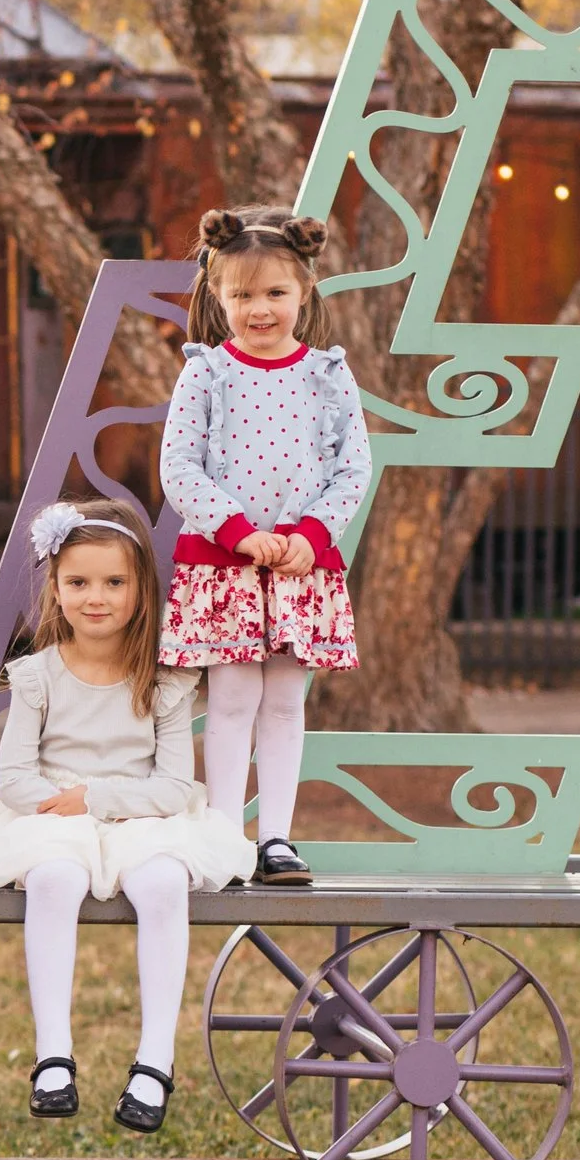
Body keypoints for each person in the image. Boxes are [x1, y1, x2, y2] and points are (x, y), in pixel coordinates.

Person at [0, 498, 253, 1133]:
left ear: (140, 590)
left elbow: (173, 785)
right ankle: (53, 1056)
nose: (95, 597)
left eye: (114, 583)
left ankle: (155, 1060)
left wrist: (97, 800)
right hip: (52, 818)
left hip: (142, 817)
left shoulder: (163, 680)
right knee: (54, 879)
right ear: (56, 588)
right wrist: (64, 806)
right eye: (78, 583)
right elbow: (13, 778)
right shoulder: (38, 677)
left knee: (163, 882)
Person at [158, 206, 372, 887]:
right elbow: (179, 466)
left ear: (303, 290)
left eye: (275, 292)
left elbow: (353, 467)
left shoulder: (328, 375)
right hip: (225, 563)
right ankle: (225, 834)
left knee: (283, 701)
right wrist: (236, 531)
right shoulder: (207, 374)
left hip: (300, 566)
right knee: (229, 700)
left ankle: (275, 836)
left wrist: (312, 534)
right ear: (218, 297)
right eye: (242, 294)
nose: (259, 309)